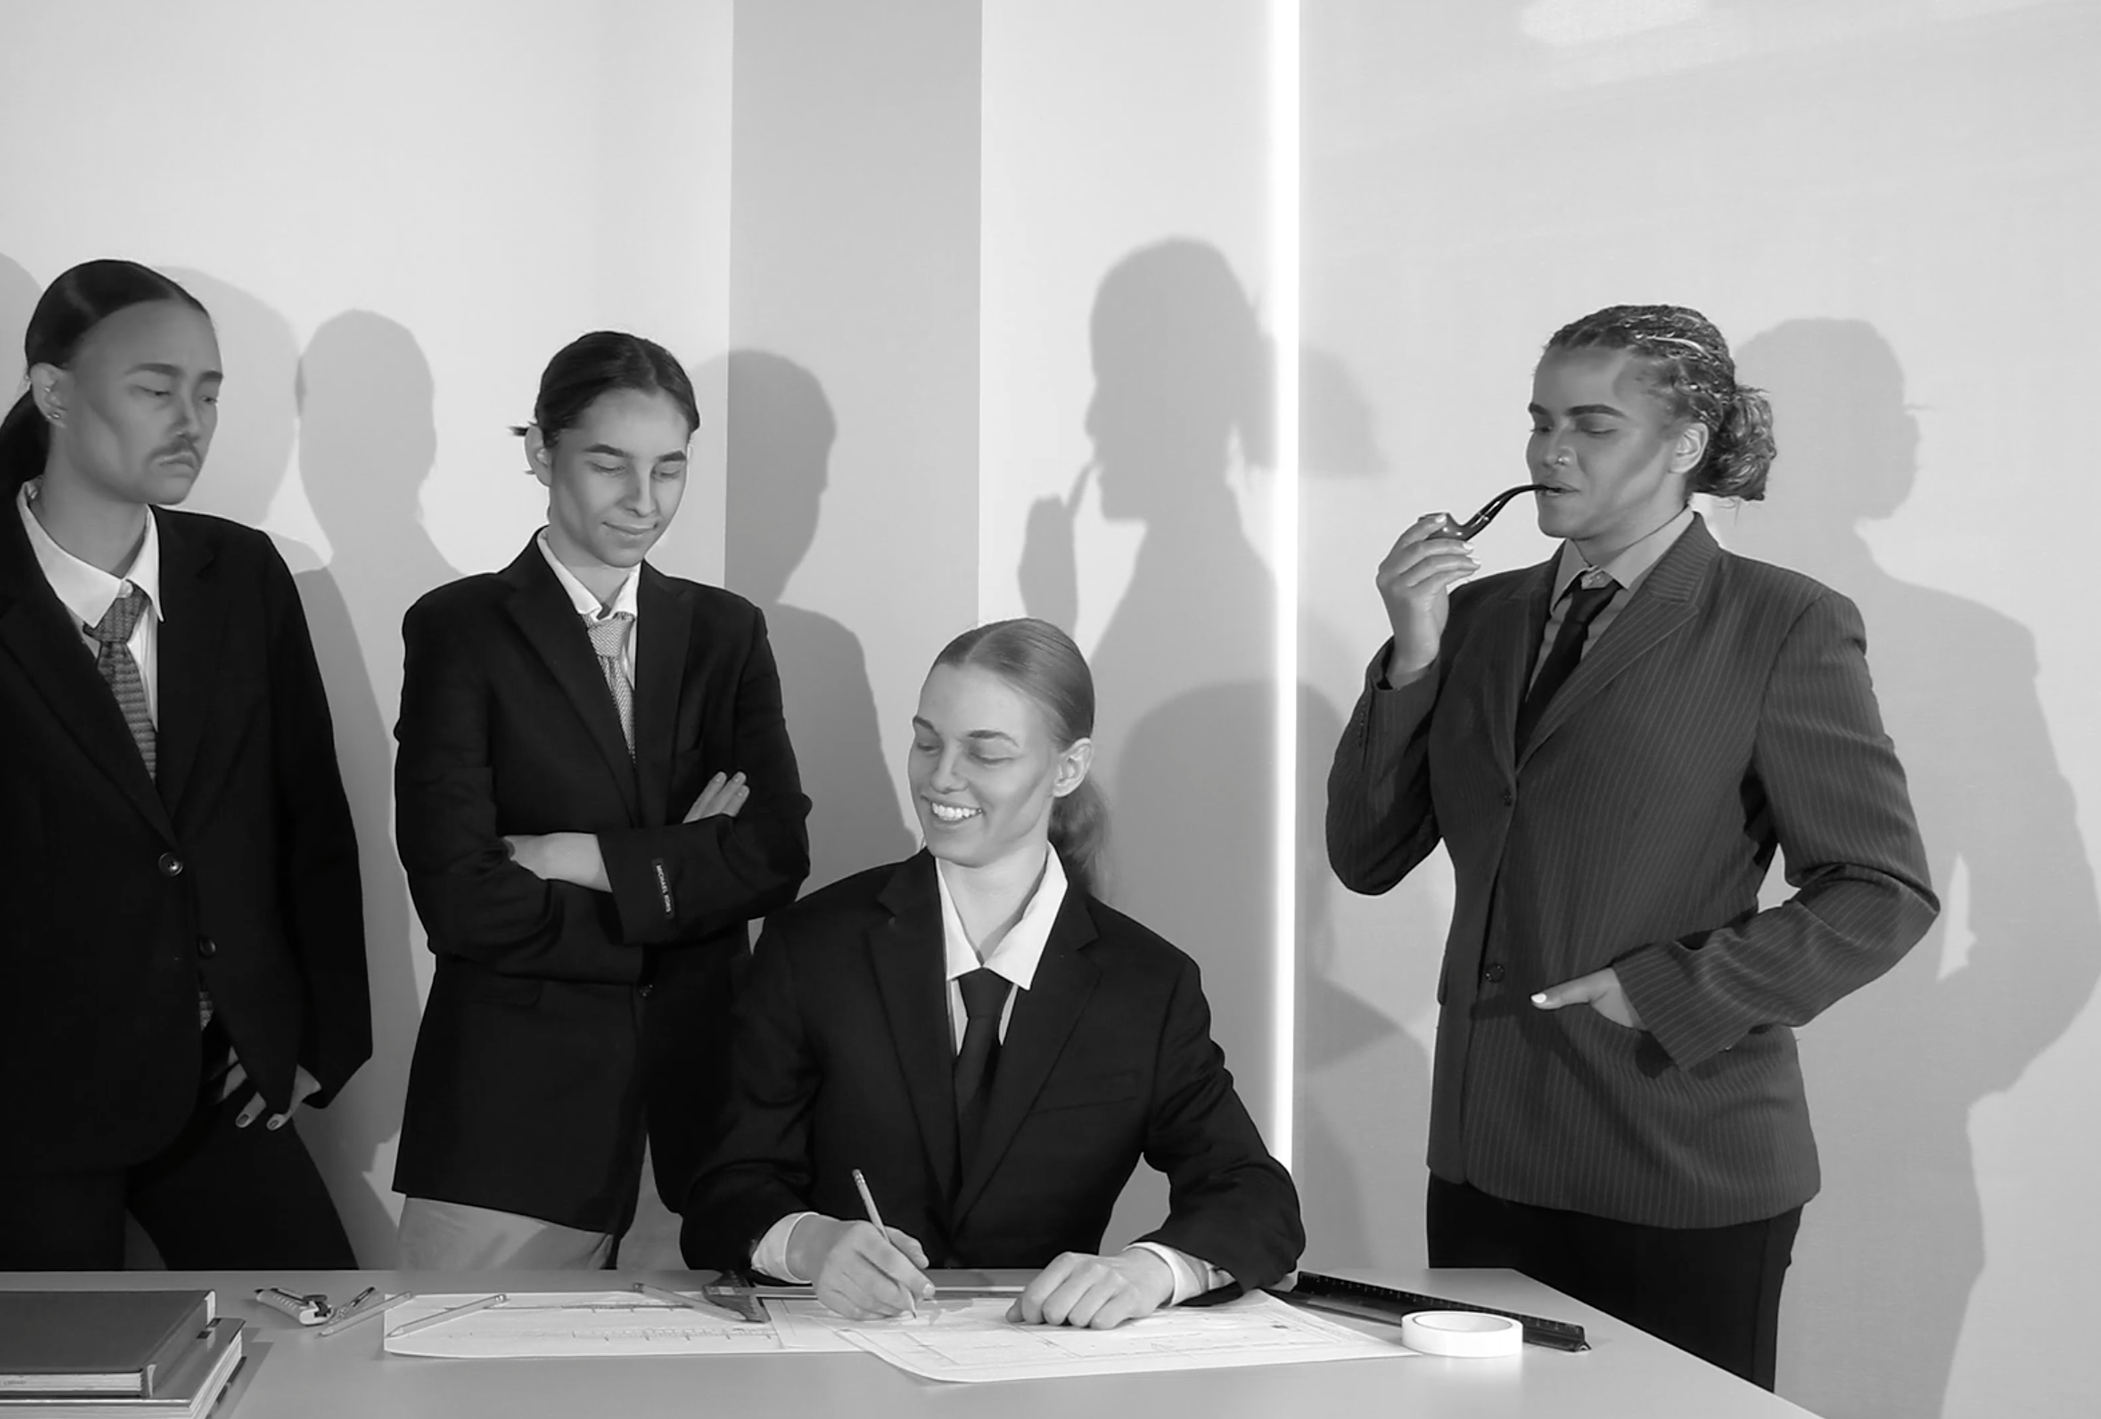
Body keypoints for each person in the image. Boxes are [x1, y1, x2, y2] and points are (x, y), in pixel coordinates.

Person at [1326, 303, 1937, 1387]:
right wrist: (1411, 658)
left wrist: (1660, 989)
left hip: (1678, 1159)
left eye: (1591, 425)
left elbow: (1878, 891)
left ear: (1684, 447)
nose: (1548, 451)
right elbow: (1367, 854)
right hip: (1484, 1160)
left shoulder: (1781, 623)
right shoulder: (1478, 620)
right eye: (1538, 419)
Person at [0, 259, 371, 1321]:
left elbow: (310, 825)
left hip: (227, 1088)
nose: (193, 420)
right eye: (155, 388)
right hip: (21, 1119)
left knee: (331, 1357)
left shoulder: (245, 579)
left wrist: (313, 1038)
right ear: (56, 393)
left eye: (209, 391)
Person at [685, 618, 1303, 1328]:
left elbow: (1256, 1196)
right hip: (837, 1362)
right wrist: (810, 1243)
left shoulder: (1147, 985)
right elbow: (722, 1192)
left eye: (986, 753)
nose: (941, 776)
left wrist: (1150, 1271)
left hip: (1039, 1370)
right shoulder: (813, 946)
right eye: (926, 741)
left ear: (1067, 768)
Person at [392, 331, 810, 1268]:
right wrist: (682, 875)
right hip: (509, 1124)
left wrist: (579, 857)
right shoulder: (459, 630)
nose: (644, 500)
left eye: (671, 468)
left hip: (703, 1125)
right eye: (609, 463)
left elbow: (777, 853)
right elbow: (462, 897)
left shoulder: (726, 632)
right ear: (541, 453)